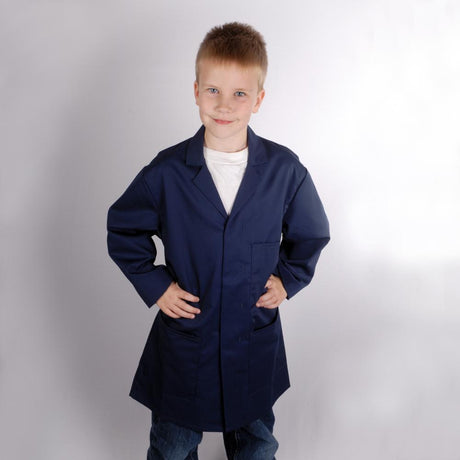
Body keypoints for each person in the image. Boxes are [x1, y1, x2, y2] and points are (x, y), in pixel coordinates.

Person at [107, 22, 330, 460]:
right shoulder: (167, 172)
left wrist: (287, 280)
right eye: (213, 90)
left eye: (239, 93)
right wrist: (157, 286)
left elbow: (310, 233)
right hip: (187, 339)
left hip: (252, 339)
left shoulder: (284, 171)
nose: (224, 105)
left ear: (259, 99)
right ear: (196, 92)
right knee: (173, 445)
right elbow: (123, 228)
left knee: (257, 443)